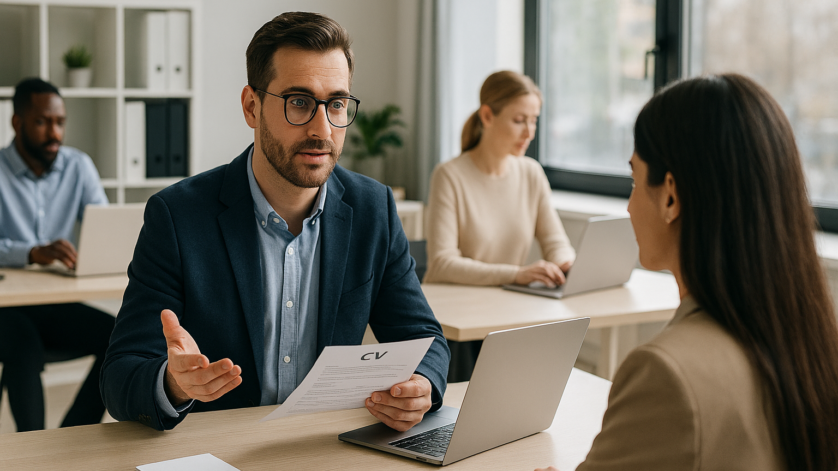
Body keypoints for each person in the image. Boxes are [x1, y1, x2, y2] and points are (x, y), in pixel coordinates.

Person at [100, 12, 450, 432]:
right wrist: (174, 383)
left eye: (336, 103)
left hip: (324, 449)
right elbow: (120, 377)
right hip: (220, 451)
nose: (322, 129)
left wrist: (422, 386)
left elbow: (424, 338)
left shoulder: (373, 207)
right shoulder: (177, 216)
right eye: (299, 102)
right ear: (252, 106)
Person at [537, 74, 838, 471]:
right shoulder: (812, 343)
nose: (628, 207)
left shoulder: (666, 372)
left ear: (671, 196)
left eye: (634, 180)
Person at [0, 78, 114, 432]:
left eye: (60, 122)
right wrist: (32, 252)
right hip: (5, 306)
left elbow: (105, 227)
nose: (54, 132)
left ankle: (70, 437)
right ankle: (32, 448)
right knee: (23, 346)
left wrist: (96, 251)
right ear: (17, 123)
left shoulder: (78, 166)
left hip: (53, 300)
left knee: (119, 336)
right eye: (42, 121)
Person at [424, 70, 575, 287]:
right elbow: (442, 263)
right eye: (519, 120)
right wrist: (516, 274)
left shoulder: (531, 173)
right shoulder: (448, 176)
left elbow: (556, 243)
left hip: (506, 304)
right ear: (487, 116)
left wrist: (567, 265)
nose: (529, 133)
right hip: (457, 306)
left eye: (533, 121)